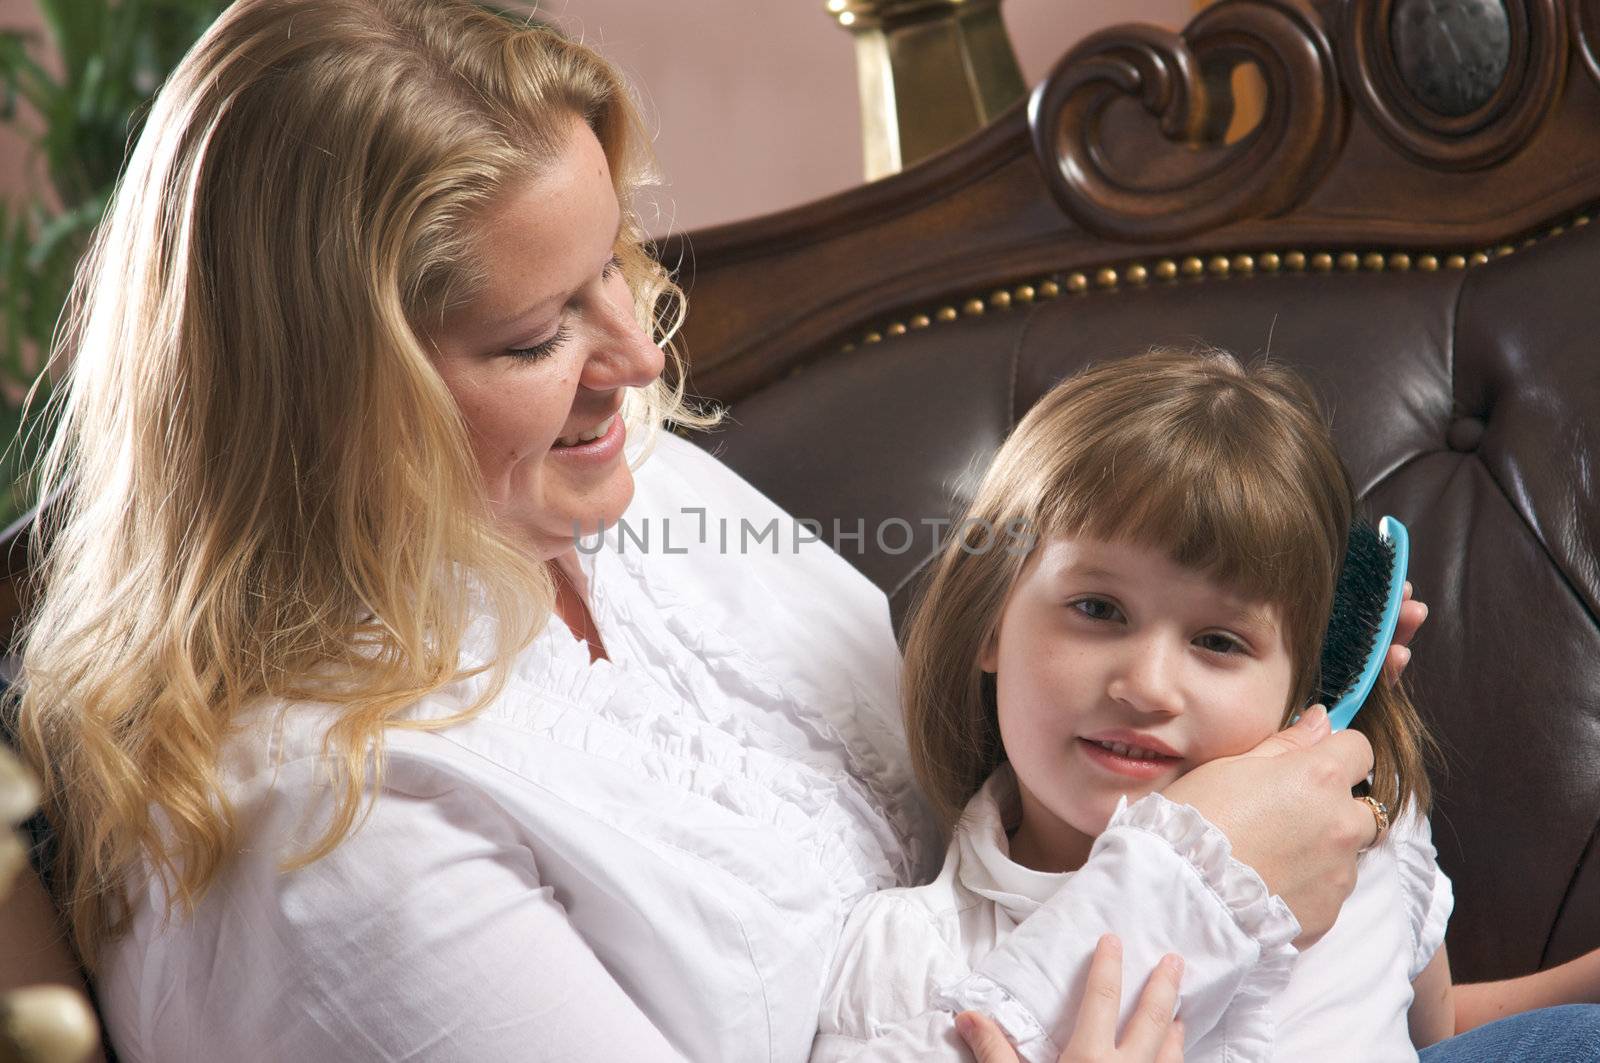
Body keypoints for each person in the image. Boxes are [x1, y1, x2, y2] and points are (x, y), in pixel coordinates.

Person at [9, 2, 1422, 1060]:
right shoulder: (330, 840)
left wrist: (1282, 706)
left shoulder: (629, 493)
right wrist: (1201, 885)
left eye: (612, 261)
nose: (636, 356)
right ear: (323, 401)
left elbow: (1000, 813)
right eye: (534, 329)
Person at [814, 351, 1600, 1062]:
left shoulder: (1356, 839)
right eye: (1097, 608)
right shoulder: (906, 967)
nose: (1148, 685)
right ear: (991, 620)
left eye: (1220, 641)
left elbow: (1436, 1035)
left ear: (1312, 678)